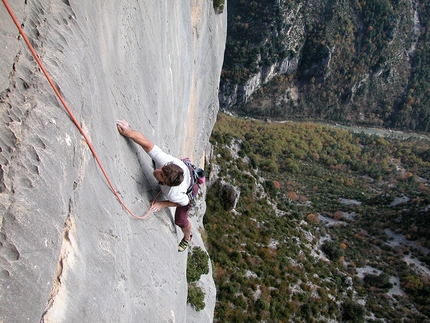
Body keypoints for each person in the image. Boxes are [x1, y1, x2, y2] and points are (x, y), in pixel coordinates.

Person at [116, 119, 194, 252]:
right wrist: (129, 132)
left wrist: (163, 204)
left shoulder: (173, 193)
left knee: (180, 221)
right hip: (182, 169)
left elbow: (184, 202)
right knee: (157, 157)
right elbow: (147, 144)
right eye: (162, 169)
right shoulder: (165, 162)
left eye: (161, 175)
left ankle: (187, 238)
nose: (157, 171)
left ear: (166, 184)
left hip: (189, 188)